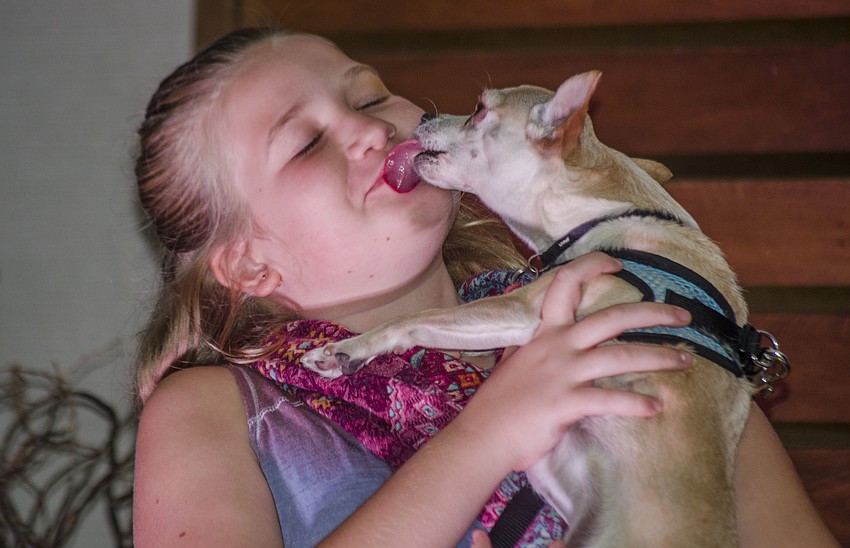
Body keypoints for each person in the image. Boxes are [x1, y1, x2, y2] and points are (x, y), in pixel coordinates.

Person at [131, 27, 837, 547]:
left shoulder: (622, 317)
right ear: (250, 266)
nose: (368, 128)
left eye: (370, 93)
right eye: (307, 143)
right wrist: (491, 431)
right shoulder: (207, 410)